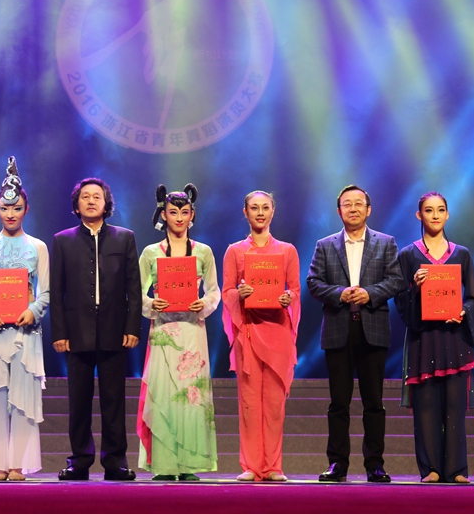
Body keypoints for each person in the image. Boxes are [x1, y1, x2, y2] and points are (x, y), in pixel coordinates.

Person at [306, 184, 404, 483]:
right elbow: (313, 282)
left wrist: (369, 293)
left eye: (358, 203)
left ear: (368, 209)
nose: (353, 208)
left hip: (373, 327)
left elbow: (396, 280)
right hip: (338, 328)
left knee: (374, 402)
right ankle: (337, 464)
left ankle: (375, 464)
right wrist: (340, 293)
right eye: (347, 204)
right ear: (339, 211)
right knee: (339, 403)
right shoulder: (325, 245)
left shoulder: (385, 243)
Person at [50, 178, 142, 481]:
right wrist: (59, 332)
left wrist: (132, 326)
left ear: (106, 203)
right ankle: (79, 461)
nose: (91, 201)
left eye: (97, 196)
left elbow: (134, 287)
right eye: (85, 197)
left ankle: (115, 462)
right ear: (77, 205)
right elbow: (57, 290)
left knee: (114, 401)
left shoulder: (124, 238)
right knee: (78, 401)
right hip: (76, 331)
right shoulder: (62, 240)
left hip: (114, 330)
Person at [393, 192, 474, 483]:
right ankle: (430, 468)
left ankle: (456, 470)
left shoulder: (461, 254)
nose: (435, 215)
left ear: (447, 214)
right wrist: (415, 288)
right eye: (429, 210)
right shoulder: (408, 255)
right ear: (419, 215)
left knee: (455, 407)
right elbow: (400, 300)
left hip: (454, 338)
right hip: (424, 340)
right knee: (426, 407)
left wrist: (463, 312)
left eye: (440, 210)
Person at [0, 157, 50, 481]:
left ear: (26, 209)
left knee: (22, 397)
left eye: (16, 208)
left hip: (24, 331)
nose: (10, 214)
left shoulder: (38, 247)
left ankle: (18, 463)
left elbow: (45, 292)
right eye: (5, 209)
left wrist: (33, 311)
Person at [137, 184, 220, 481]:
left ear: (192, 215)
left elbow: (214, 290)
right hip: (164, 330)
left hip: (192, 329)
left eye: (185, 212)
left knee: (191, 396)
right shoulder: (150, 253)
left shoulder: (203, 252)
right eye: (173, 212)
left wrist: (204, 303)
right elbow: (136, 292)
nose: (179, 218)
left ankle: (188, 464)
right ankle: (164, 464)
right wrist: (152, 303)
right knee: (163, 392)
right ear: (164, 214)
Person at [222, 190, 300, 483]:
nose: (260, 213)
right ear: (245, 212)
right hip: (249, 332)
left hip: (277, 332)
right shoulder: (234, 251)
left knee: (275, 404)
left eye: (265, 207)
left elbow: (295, 291)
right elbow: (227, 291)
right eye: (254, 208)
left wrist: (287, 298)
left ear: (273, 211)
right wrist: (239, 294)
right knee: (250, 403)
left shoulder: (287, 251)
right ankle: (251, 465)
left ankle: (273, 466)